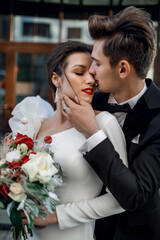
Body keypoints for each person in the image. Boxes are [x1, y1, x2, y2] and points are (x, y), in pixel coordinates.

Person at [9, 40, 128, 240]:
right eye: (80, 73)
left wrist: (57, 216)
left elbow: (120, 199)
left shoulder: (104, 123)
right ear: (56, 79)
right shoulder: (37, 126)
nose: (90, 80)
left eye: (92, 74)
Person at [62, 6, 160, 240]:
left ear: (123, 68)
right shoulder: (89, 99)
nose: (91, 72)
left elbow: (135, 194)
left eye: (96, 63)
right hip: (83, 231)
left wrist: (93, 132)